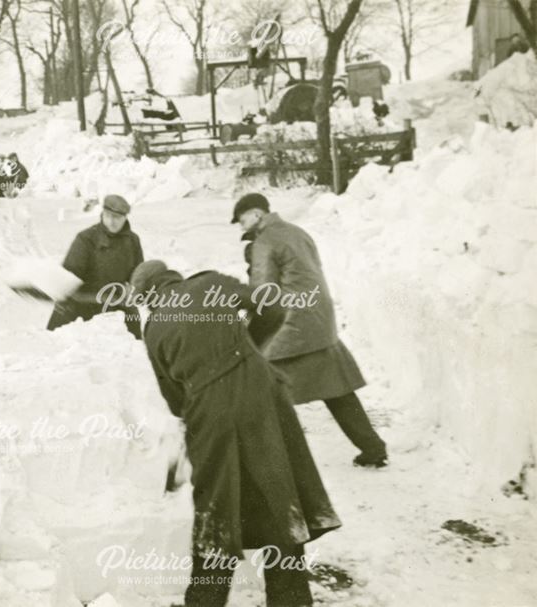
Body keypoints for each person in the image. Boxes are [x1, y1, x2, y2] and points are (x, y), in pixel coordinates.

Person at [131, 259, 340, 607]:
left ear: (148, 294)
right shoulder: (211, 283)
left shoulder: (153, 329)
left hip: (209, 411)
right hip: (261, 393)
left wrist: (203, 406)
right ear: (171, 278)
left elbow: (174, 399)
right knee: (278, 488)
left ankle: (204, 601)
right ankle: (291, 598)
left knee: (216, 506)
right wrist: (248, 350)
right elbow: (271, 306)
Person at [232, 192, 388, 468]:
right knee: (336, 389)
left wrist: (239, 311)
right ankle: (372, 447)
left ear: (256, 214)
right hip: (318, 320)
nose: (241, 226)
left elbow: (262, 293)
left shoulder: (265, 241)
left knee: (260, 386)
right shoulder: (297, 232)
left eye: (242, 219)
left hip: (290, 327)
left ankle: (265, 461)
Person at [46, 194, 143, 338]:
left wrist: (134, 290)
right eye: (108, 215)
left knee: (135, 342)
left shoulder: (132, 241)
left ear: (125, 218)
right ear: (102, 213)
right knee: (58, 343)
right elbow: (68, 281)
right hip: (82, 302)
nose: (111, 221)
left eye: (117, 217)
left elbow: (138, 274)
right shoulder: (85, 239)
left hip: (116, 301)